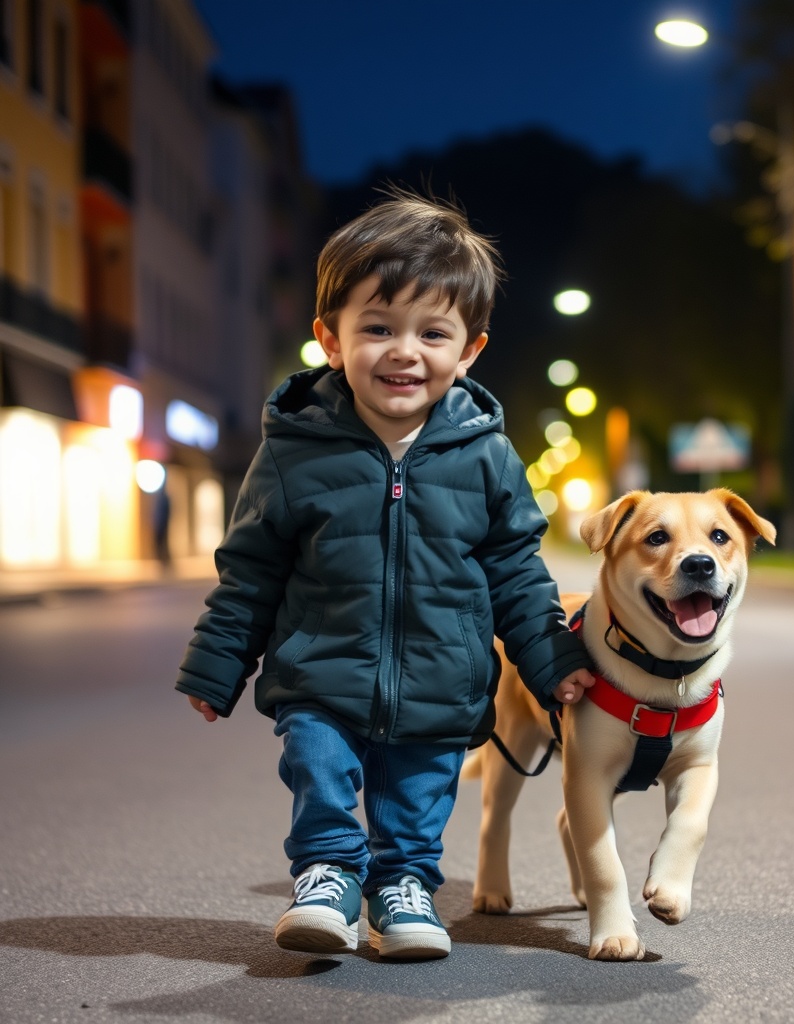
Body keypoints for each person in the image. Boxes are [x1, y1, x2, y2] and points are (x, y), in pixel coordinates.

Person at [175, 187, 594, 961]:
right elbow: (251, 569)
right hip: (319, 669)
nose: (404, 351)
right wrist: (218, 662)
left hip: (442, 678)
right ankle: (329, 875)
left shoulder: (487, 457)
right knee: (319, 766)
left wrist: (550, 662)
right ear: (330, 340)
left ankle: (402, 885)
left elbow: (516, 571)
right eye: (377, 327)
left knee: (418, 793)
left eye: (432, 332)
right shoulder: (294, 449)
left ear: (469, 350)